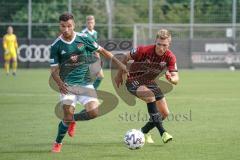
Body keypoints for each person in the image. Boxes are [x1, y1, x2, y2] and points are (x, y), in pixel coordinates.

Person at [50, 13, 126, 153]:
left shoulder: (84, 38)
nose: (66, 29)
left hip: (85, 83)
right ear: (59, 26)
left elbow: (102, 51)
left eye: (69, 26)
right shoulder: (55, 46)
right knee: (67, 115)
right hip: (67, 85)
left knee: (94, 112)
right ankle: (58, 142)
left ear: (74, 25)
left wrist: (119, 64)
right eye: (63, 26)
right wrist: (60, 84)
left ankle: (73, 120)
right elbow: (54, 71)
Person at [115, 29, 179, 144]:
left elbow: (176, 78)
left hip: (149, 81)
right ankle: (163, 132)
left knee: (165, 113)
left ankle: (143, 131)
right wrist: (119, 75)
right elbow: (125, 57)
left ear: (169, 44)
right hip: (133, 80)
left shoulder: (170, 57)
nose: (161, 48)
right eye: (159, 44)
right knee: (150, 96)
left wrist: (171, 79)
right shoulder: (143, 50)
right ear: (155, 41)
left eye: (164, 45)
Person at [81, 15, 104, 90]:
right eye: (88, 23)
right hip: (86, 58)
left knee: (100, 76)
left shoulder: (95, 33)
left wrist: (98, 57)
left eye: (91, 22)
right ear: (86, 23)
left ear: (94, 23)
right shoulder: (83, 33)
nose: (90, 24)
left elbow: (96, 46)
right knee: (88, 78)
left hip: (94, 58)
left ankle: (91, 92)